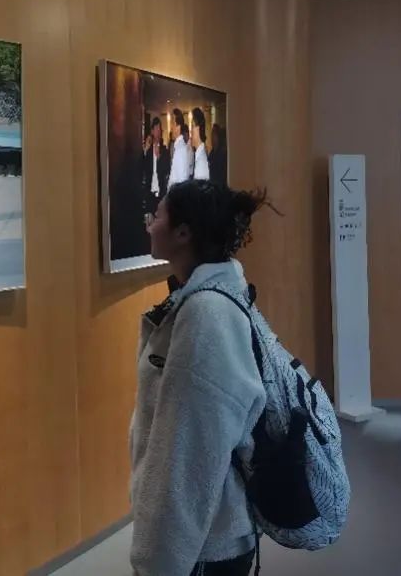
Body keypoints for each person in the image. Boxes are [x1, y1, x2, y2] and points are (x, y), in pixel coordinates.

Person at [131, 180, 269, 576]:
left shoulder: (205, 315)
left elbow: (189, 454)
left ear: (183, 233)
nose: (150, 223)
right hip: (205, 537)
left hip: (203, 546)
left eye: (158, 215)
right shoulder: (207, 298)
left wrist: (157, 562)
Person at [142, 117, 170, 220]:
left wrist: (159, 158)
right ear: (152, 131)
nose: (159, 132)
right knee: (150, 224)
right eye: (156, 129)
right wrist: (145, 151)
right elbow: (143, 169)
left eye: (160, 129)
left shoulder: (165, 151)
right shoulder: (148, 151)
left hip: (160, 194)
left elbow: (167, 169)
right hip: (149, 194)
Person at [167, 108, 192, 189]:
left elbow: (182, 184)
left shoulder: (181, 150)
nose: (171, 128)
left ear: (178, 127)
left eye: (172, 124)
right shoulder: (178, 147)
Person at [190, 107, 210, 180]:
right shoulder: (199, 155)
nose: (190, 132)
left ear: (198, 128)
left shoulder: (201, 162)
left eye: (192, 127)